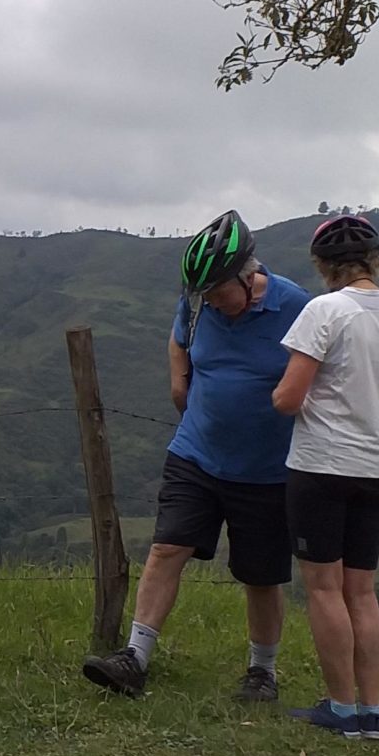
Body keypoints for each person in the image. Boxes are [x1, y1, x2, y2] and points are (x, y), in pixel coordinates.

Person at [81, 211, 310, 701]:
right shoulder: (197, 305)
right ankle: (134, 658)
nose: (211, 301)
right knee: (167, 548)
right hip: (196, 453)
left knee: (261, 575)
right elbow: (178, 338)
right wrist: (178, 381)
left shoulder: (296, 307)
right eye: (203, 293)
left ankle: (261, 672)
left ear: (249, 277)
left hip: (267, 470)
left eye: (219, 292)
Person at [272, 212, 379, 742]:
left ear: (324, 267)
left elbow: (289, 399)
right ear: (374, 261)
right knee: (361, 592)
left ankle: (341, 709)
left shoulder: (323, 311)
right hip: (378, 468)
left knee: (324, 587)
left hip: (321, 465)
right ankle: (373, 711)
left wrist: (276, 394)